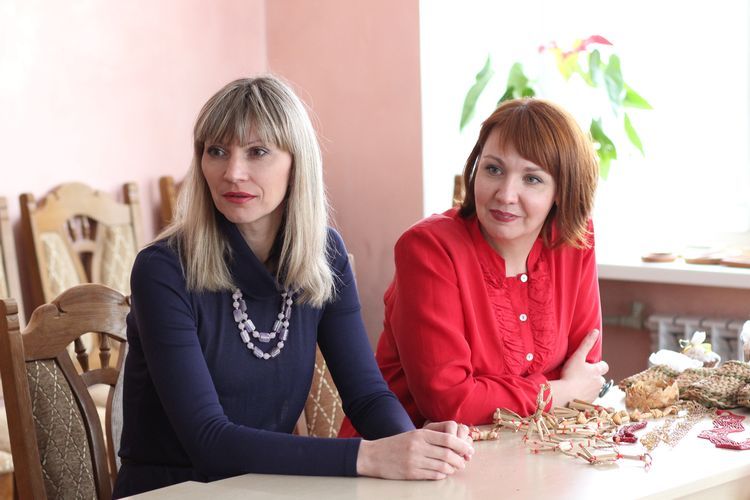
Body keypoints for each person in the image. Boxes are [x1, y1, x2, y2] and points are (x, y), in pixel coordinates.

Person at [113, 76, 473, 497]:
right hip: (173, 490)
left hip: (266, 489)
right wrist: (370, 457)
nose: (233, 172)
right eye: (217, 151)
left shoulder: (324, 253)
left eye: (257, 151)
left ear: (296, 163)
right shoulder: (162, 270)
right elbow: (209, 441)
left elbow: (368, 397)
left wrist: (415, 448)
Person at [341, 98, 609, 435]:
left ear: (561, 190)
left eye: (532, 179)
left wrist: (493, 395)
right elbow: (447, 402)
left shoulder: (573, 238)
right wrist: (559, 391)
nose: (506, 194)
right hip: (409, 453)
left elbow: (586, 369)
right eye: (493, 169)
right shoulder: (428, 249)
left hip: (526, 448)